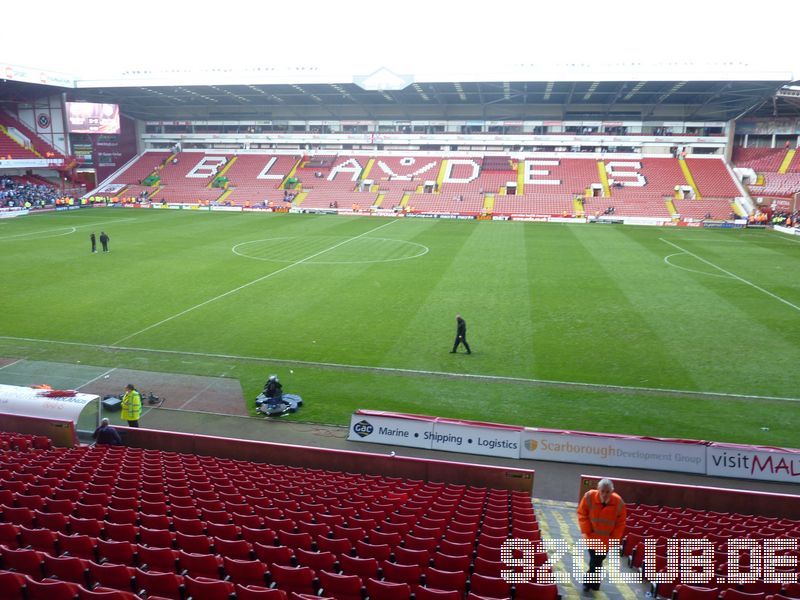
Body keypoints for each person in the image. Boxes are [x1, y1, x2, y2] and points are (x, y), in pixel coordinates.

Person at [577, 478, 627, 592]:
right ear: (598, 489)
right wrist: (587, 529)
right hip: (591, 537)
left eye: (607, 491)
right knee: (595, 561)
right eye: (602, 491)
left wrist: (614, 539)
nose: (604, 494)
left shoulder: (618, 502)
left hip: (606, 540)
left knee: (597, 561)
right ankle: (589, 583)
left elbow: (621, 523)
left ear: (612, 491)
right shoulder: (589, 496)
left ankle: (594, 583)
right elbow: (582, 513)